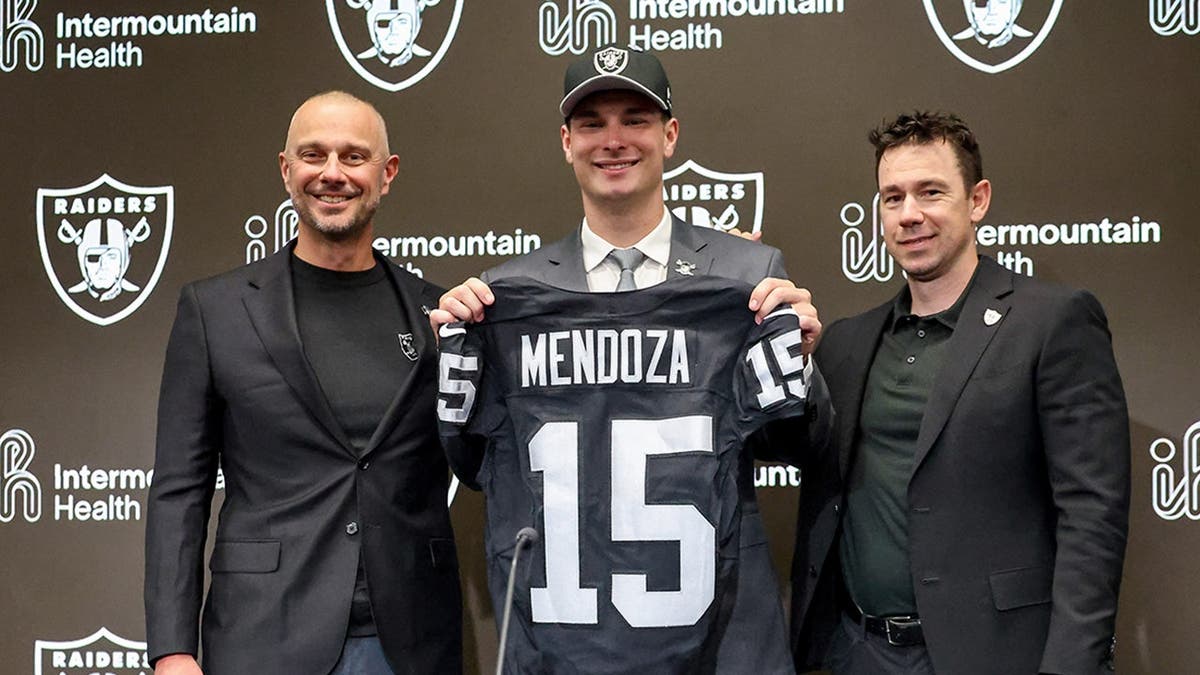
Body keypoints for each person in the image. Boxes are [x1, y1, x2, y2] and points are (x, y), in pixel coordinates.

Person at [432, 45, 831, 673]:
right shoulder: (504, 295)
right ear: (566, 142)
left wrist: (797, 360)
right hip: (563, 638)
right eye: (592, 123)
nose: (613, 140)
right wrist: (462, 358)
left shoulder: (745, 276)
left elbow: (801, 445)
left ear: (669, 135)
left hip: (717, 637)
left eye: (635, 119)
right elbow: (472, 463)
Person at [789, 111, 1130, 675]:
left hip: (997, 655)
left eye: (931, 193)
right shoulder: (846, 342)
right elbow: (785, 446)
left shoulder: (1053, 322)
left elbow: (1093, 514)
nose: (909, 215)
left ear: (978, 200)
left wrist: (1074, 664)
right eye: (892, 198)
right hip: (858, 651)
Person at [145, 91, 462, 675]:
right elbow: (177, 492)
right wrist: (172, 649)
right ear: (287, 171)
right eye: (313, 155)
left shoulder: (438, 313)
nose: (333, 174)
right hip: (263, 636)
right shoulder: (214, 311)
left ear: (386, 174)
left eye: (354, 156)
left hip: (412, 642)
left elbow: (479, 459)